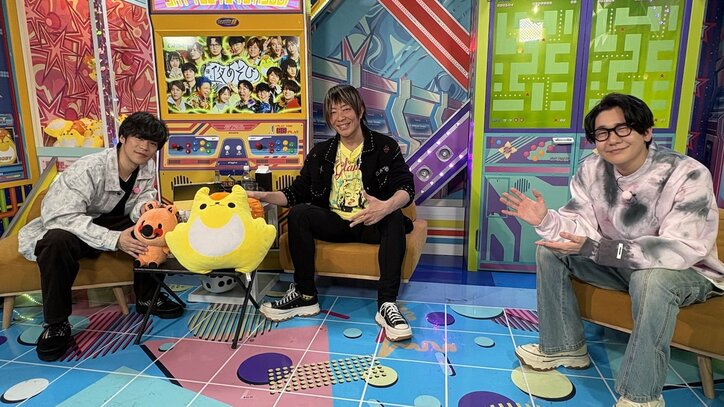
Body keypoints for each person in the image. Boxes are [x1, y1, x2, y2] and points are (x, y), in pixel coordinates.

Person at [499, 93, 724, 407]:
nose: (612, 139)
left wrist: (602, 250)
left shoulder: (687, 173)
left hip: (686, 272)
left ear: (646, 131)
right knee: (551, 251)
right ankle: (564, 346)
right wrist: (547, 220)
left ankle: (641, 395)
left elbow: (679, 248)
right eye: (602, 133)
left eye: (622, 128)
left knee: (651, 279)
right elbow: (580, 226)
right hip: (621, 266)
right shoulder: (592, 169)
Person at [248, 84, 416, 342]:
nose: (340, 118)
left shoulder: (384, 147)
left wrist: (385, 206)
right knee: (299, 213)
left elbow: (406, 187)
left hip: (372, 222)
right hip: (337, 222)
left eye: (346, 109)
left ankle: (386, 305)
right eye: (333, 112)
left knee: (393, 216)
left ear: (360, 110)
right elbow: (295, 193)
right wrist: (263, 196)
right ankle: (305, 296)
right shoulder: (321, 153)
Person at [17, 112, 184, 362]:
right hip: (74, 224)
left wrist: (146, 209)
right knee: (54, 242)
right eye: (139, 138)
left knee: (153, 226)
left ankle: (148, 297)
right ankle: (57, 324)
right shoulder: (88, 168)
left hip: (113, 221)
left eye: (152, 143)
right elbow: (59, 216)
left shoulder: (146, 166)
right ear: (123, 138)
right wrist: (114, 239)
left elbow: (141, 197)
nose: (145, 147)